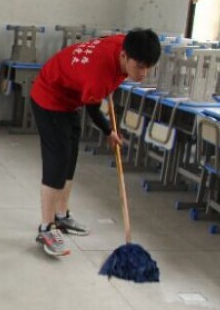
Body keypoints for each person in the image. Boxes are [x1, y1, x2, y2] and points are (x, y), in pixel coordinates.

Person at [31, 28, 161, 257]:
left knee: (70, 158)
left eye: (148, 67)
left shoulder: (125, 43)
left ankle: (61, 216)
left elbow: (103, 43)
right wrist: (109, 131)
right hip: (49, 96)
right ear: (124, 56)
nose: (144, 73)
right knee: (57, 162)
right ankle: (46, 228)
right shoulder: (99, 76)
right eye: (139, 66)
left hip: (70, 97)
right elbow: (92, 108)